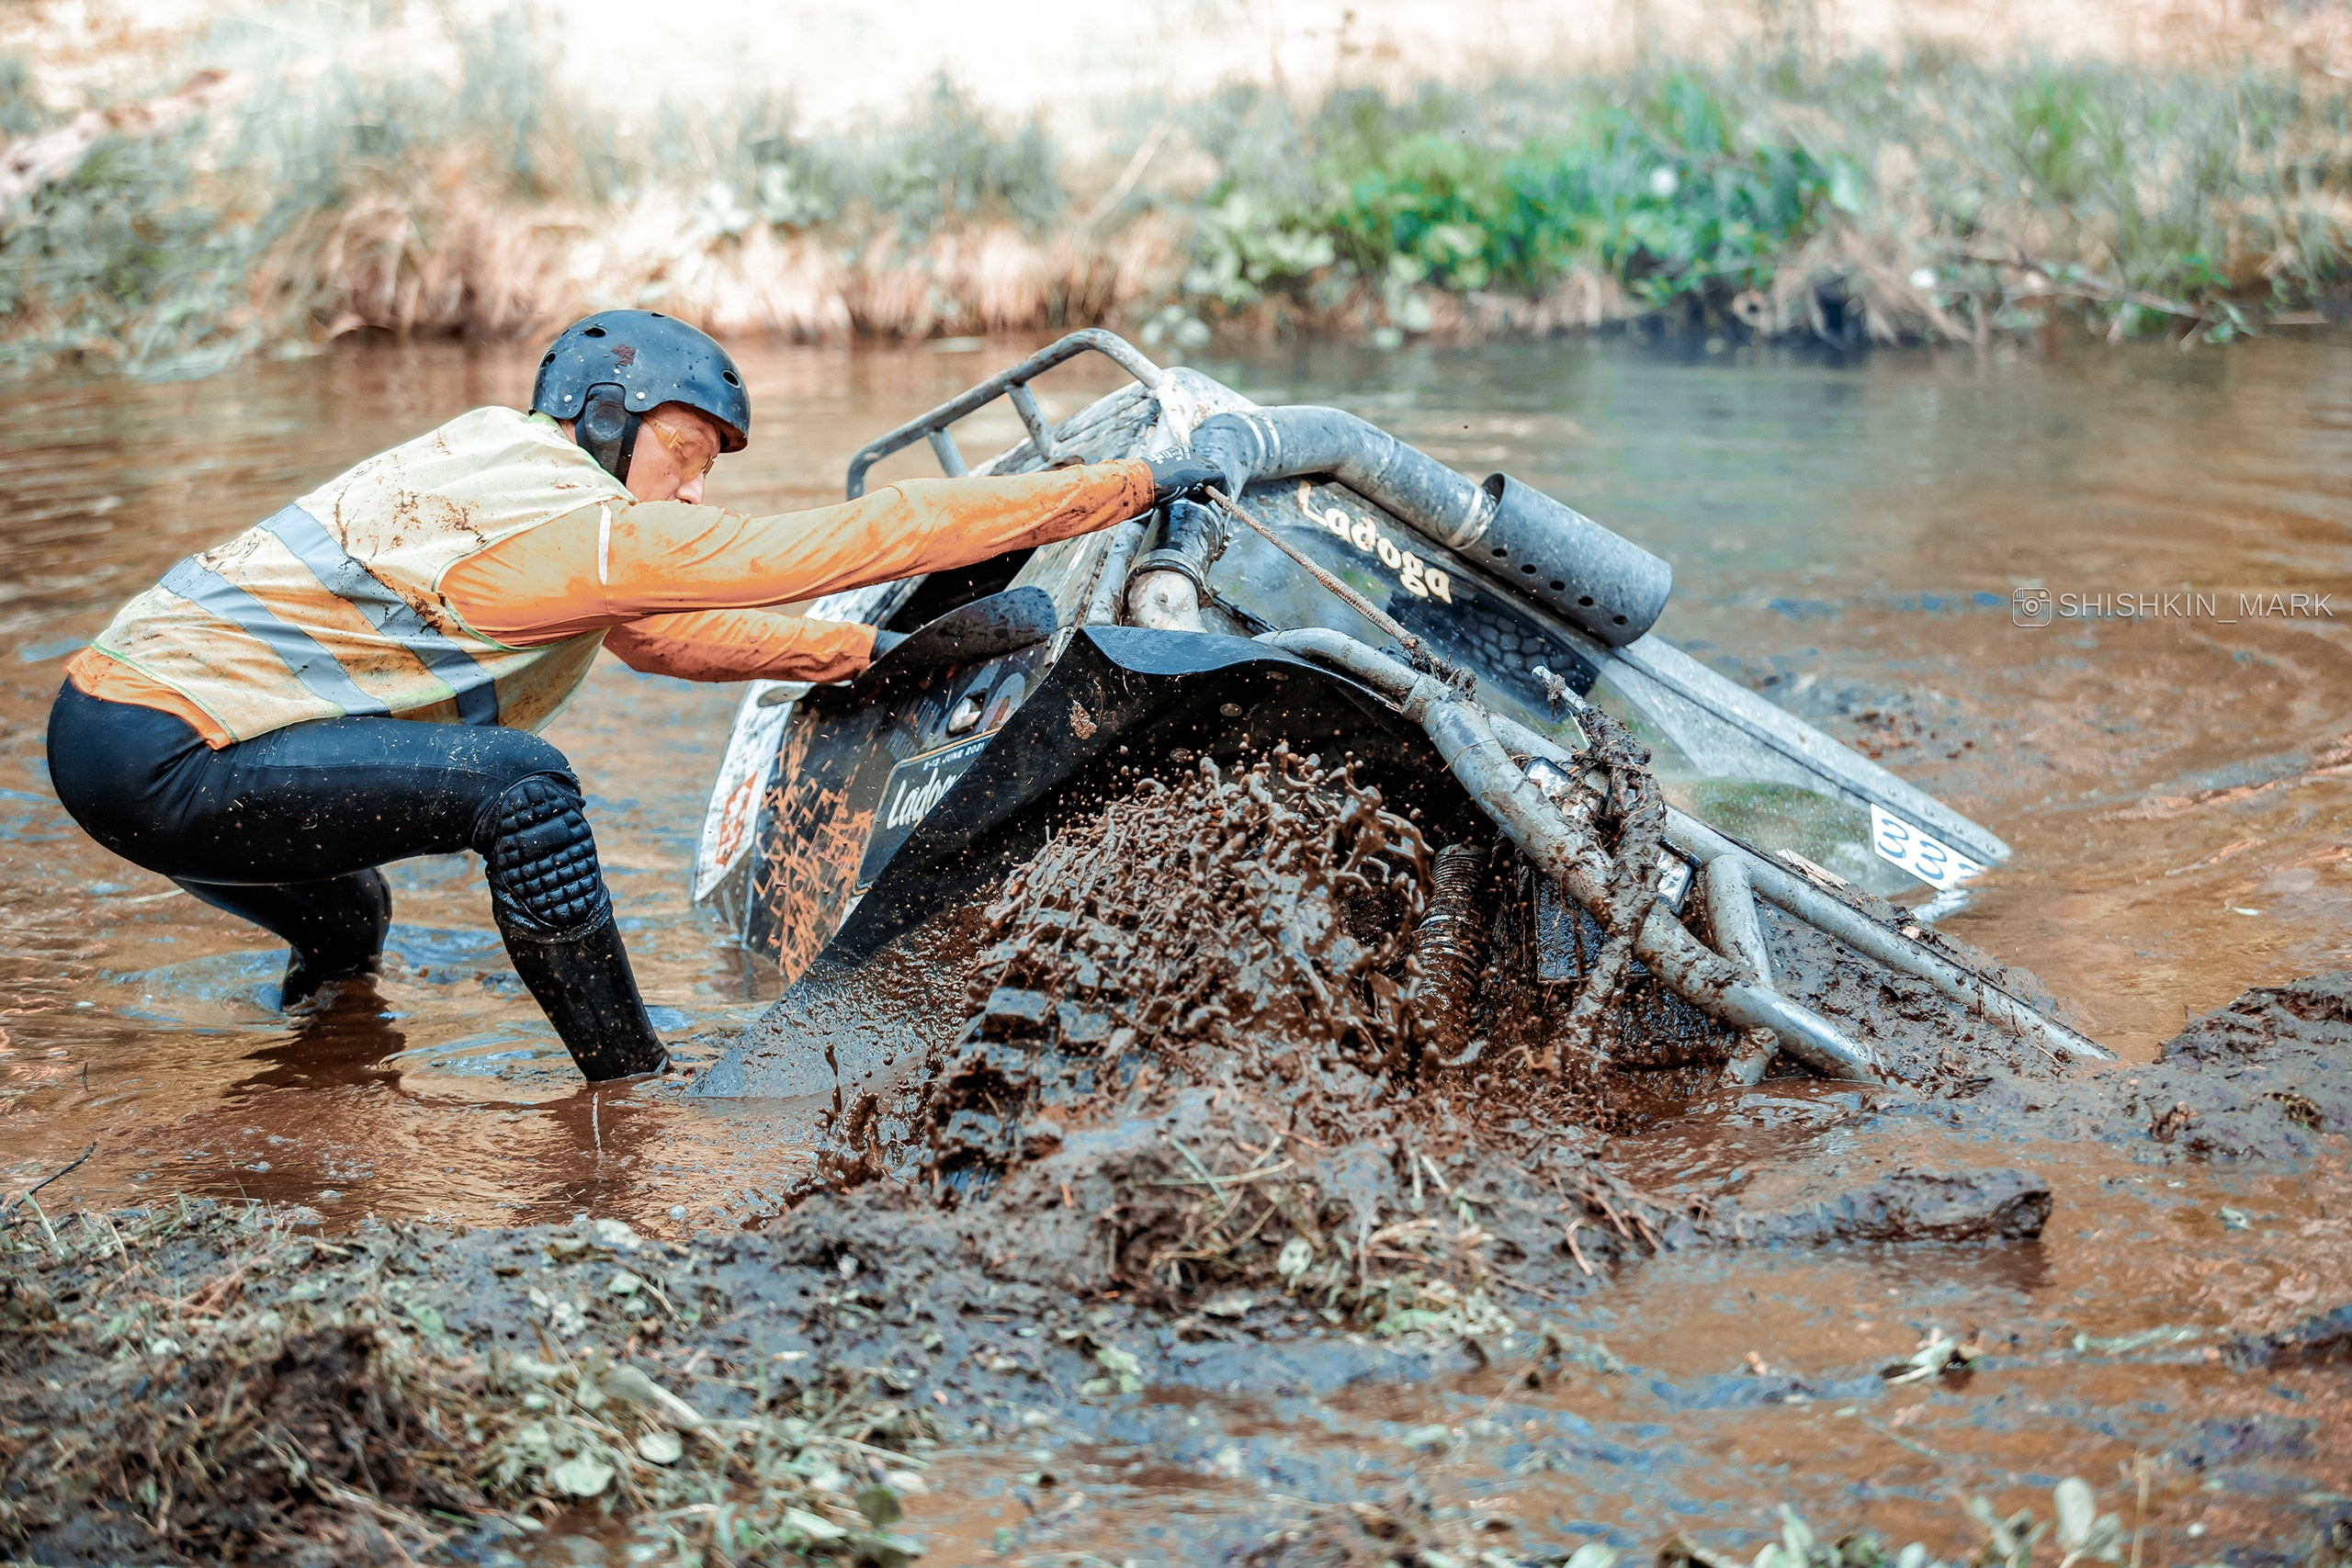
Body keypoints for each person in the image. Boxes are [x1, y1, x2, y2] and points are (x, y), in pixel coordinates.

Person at [48, 310, 1225, 1081]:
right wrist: (1133, 484)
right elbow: (864, 536)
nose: (695, 490)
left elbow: (660, 645)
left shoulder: (500, 474)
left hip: (111, 734)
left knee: (351, 925)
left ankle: (313, 1076)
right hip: (167, 752)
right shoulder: (568, 519)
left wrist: (862, 657)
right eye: (688, 454)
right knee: (524, 791)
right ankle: (632, 1087)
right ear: (605, 417)